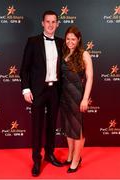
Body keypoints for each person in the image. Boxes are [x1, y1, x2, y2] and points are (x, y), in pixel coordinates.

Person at [20, 10, 63, 176]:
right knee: (37, 126)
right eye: (48, 21)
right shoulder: (33, 41)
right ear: (42, 23)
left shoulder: (61, 43)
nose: (51, 25)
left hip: (55, 91)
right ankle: (36, 159)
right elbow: (24, 69)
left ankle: (49, 154)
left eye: (54, 22)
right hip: (38, 91)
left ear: (57, 24)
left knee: (52, 125)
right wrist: (26, 89)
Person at [60, 26, 93, 173]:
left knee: (77, 128)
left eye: (73, 39)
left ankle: (76, 159)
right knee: (68, 128)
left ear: (78, 39)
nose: (70, 41)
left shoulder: (84, 54)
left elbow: (90, 77)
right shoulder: (64, 53)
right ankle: (70, 154)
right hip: (64, 96)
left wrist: (85, 99)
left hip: (77, 96)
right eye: (68, 39)